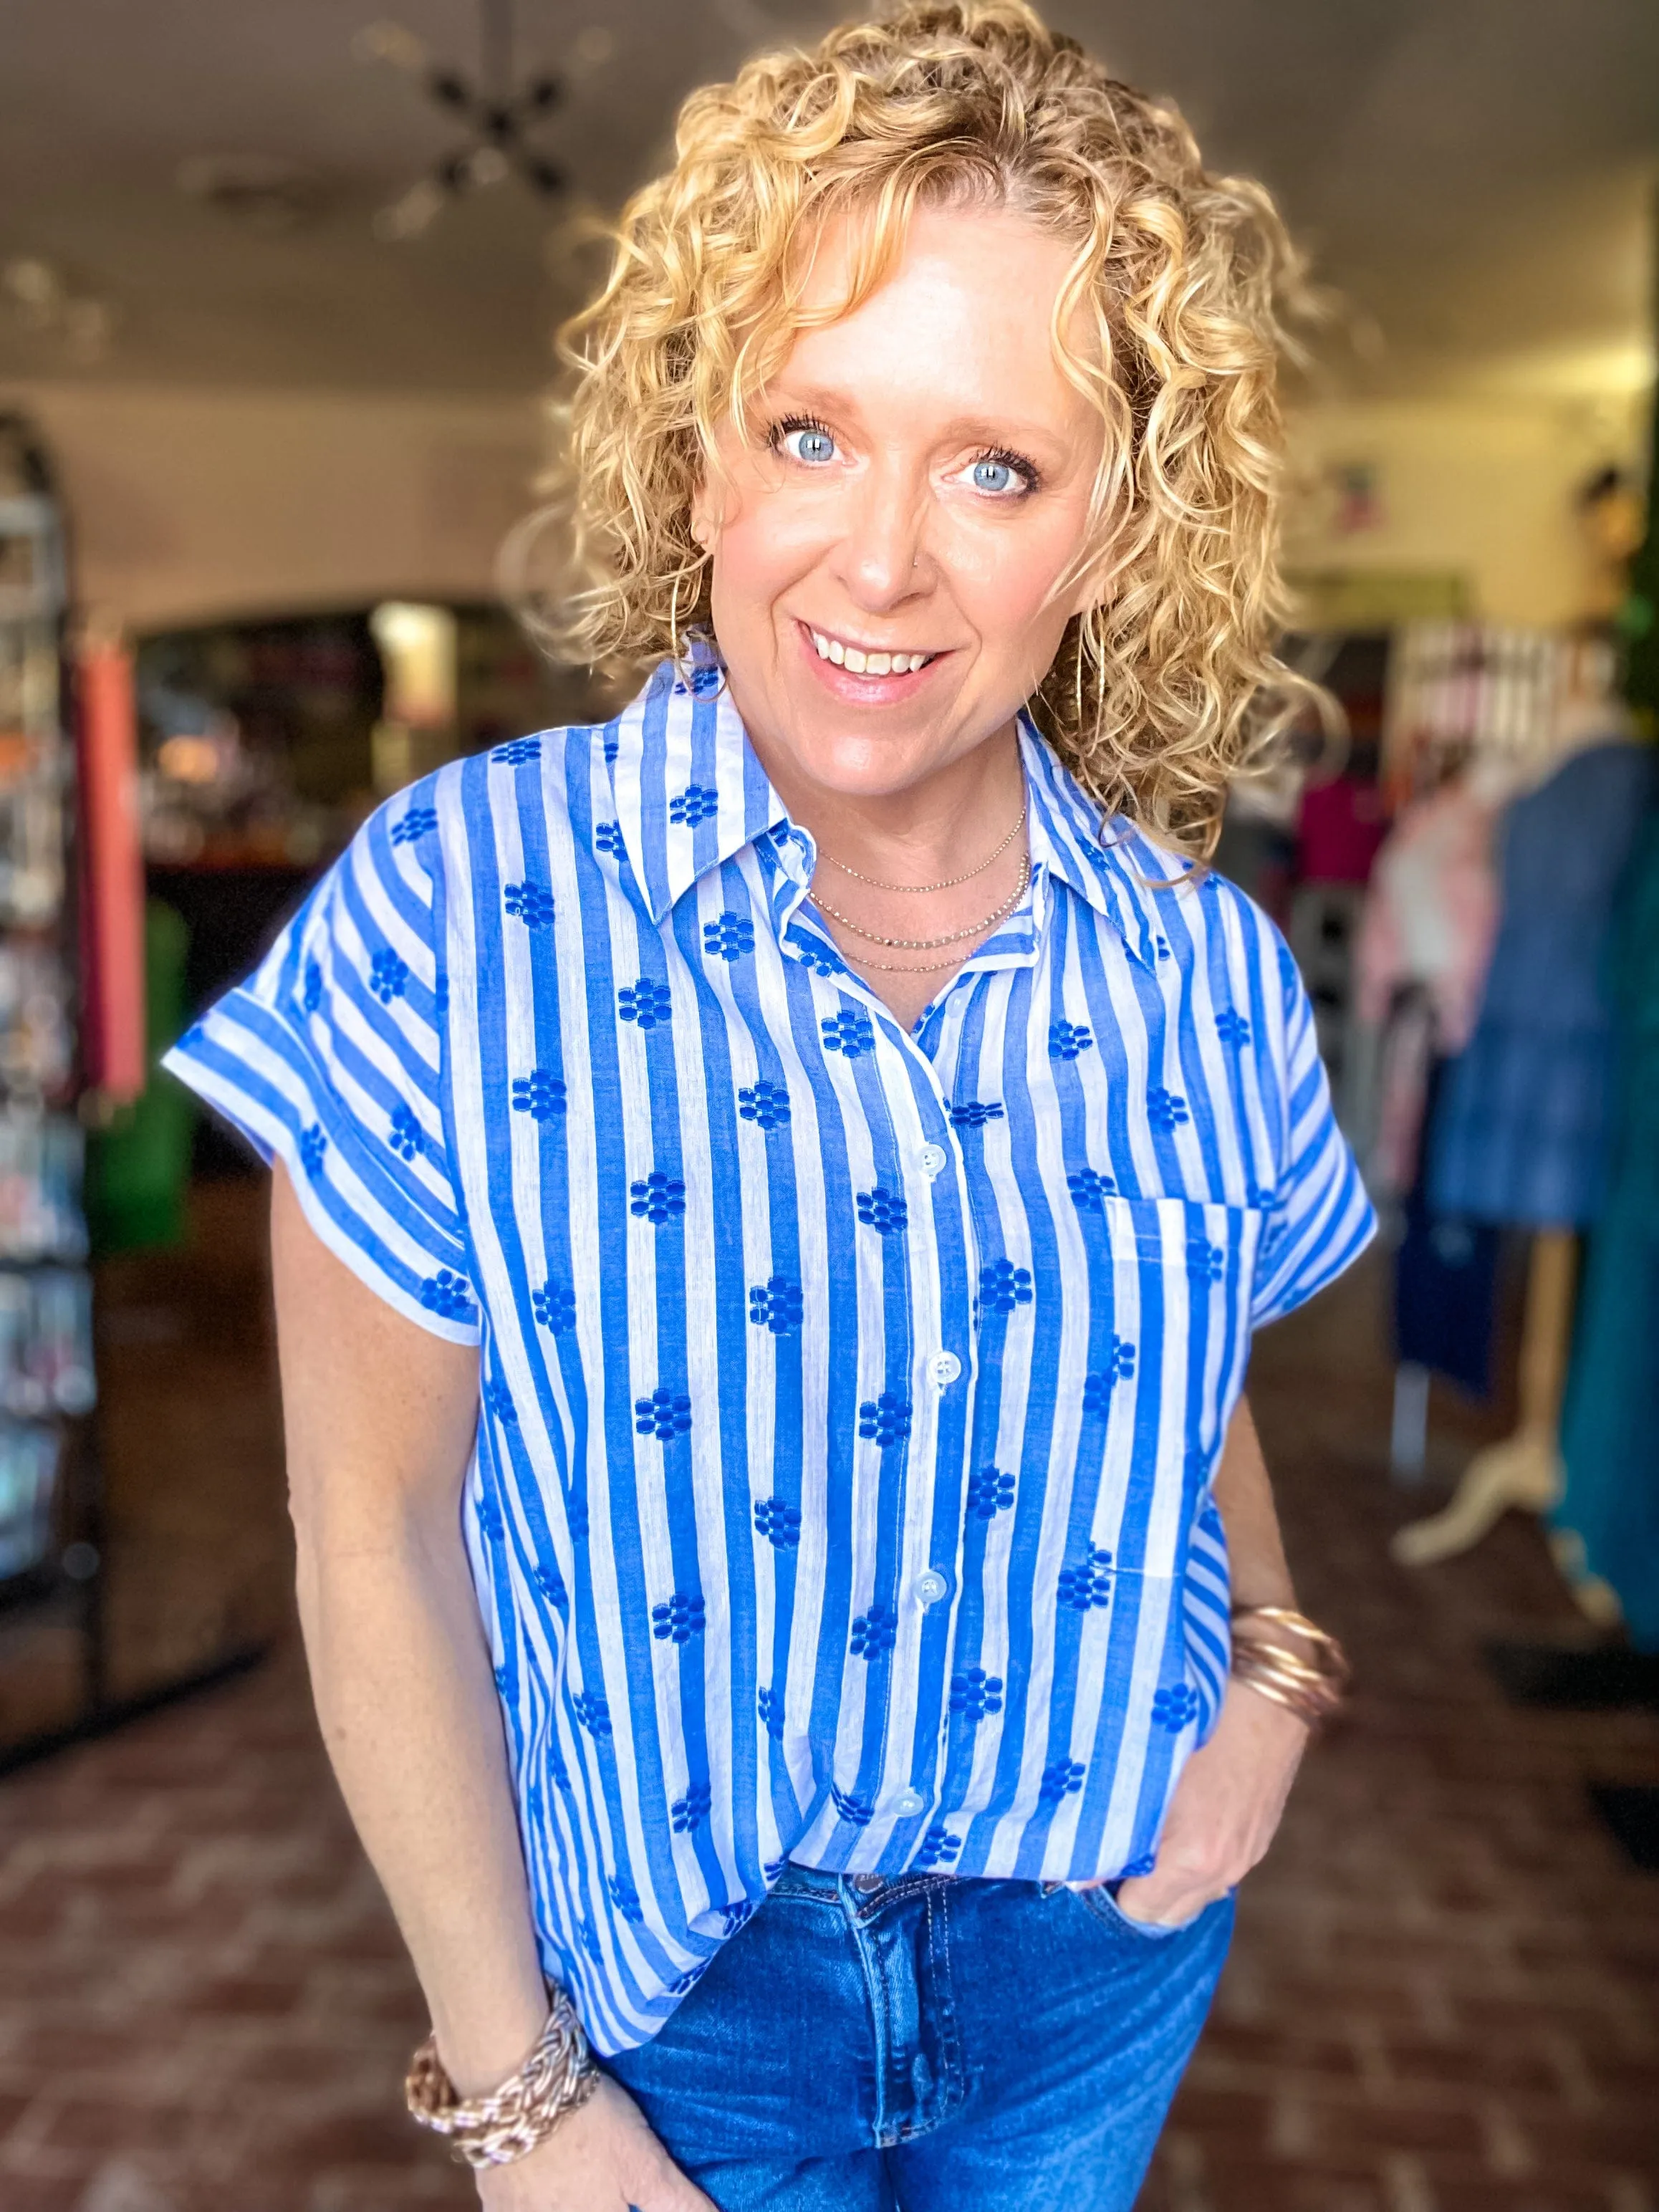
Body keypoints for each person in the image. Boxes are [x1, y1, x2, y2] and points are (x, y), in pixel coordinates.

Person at [165, 5, 1374, 2206]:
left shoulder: (1196, 967)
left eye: (996, 465)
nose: (883, 561)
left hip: (1096, 1954)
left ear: (1109, 532)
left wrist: (1271, 1680)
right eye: (811, 432)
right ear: (697, 456)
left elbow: (1187, 1385)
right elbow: (377, 1538)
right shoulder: (462, 911)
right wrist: (512, 2091)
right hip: (673, 2000)